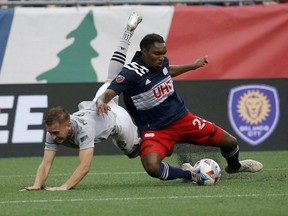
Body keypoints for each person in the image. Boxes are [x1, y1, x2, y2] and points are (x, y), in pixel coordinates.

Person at [96, 33, 263, 182]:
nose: (161, 57)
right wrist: (102, 101)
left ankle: (235, 167)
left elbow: (167, 71)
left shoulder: (161, 64)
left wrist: (192, 66)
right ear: (143, 52)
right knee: (152, 167)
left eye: (163, 53)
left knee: (230, 142)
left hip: (182, 119)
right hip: (156, 130)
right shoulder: (131, 72)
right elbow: (111, 90)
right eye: (157, 53)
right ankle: (191, 175)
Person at [20, 12, 143, 191]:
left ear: (68, 125)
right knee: (110, 80)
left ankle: (158, 136)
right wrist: (37, 185)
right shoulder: (54, 130)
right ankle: (129, 31)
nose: (53, 136)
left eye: (55, 132)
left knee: (134, 153)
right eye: (51, 133)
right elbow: (46, 163)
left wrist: (64, 187)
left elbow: (84, 166)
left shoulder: (83, 130)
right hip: (96, 104)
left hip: (115, 119)